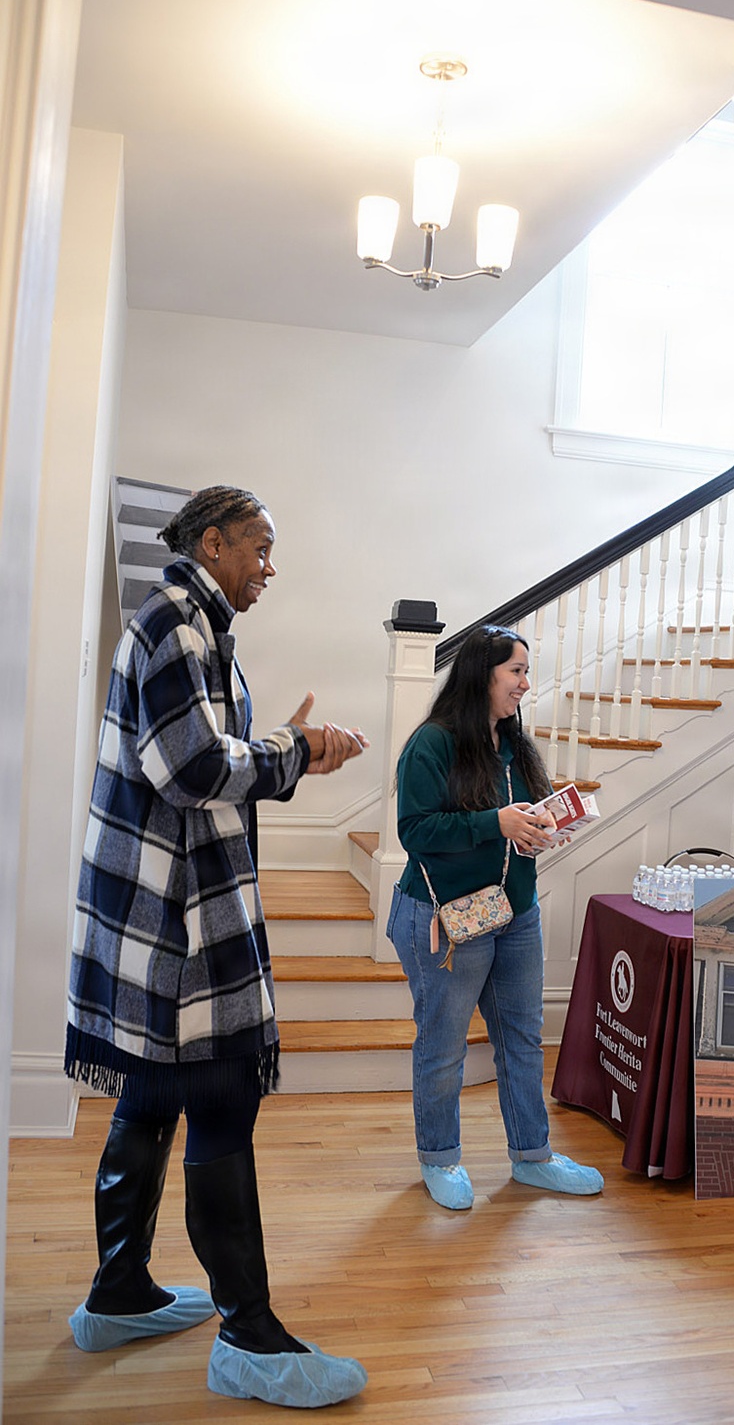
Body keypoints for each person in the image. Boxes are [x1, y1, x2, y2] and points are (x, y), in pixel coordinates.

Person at [65, 485, 370, 1409]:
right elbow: (194, 767)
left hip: (159, 918)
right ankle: (249, 1337)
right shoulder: (176, 625)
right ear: (214, 541)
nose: (270, 566)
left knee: (152, 1100)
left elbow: (192, 754)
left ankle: (119, 1294)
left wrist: (272, 741)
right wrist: (296, 748)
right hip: (174, 927)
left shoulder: (188, 625)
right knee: (219, 1101)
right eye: (260, 547)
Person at [388, 623, 604, 1210]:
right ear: (482, 674)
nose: (524, 684)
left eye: (525, 672)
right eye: (516, 672)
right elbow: (415, 832)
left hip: (515, 913)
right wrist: (497, 824)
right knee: (444, 1044)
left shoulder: (512, 742)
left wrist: (533, 833)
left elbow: (515, 822)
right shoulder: (432, 743)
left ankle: (532, 1156)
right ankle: (440, 1157)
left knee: (523, 1040)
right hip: (446, 917)